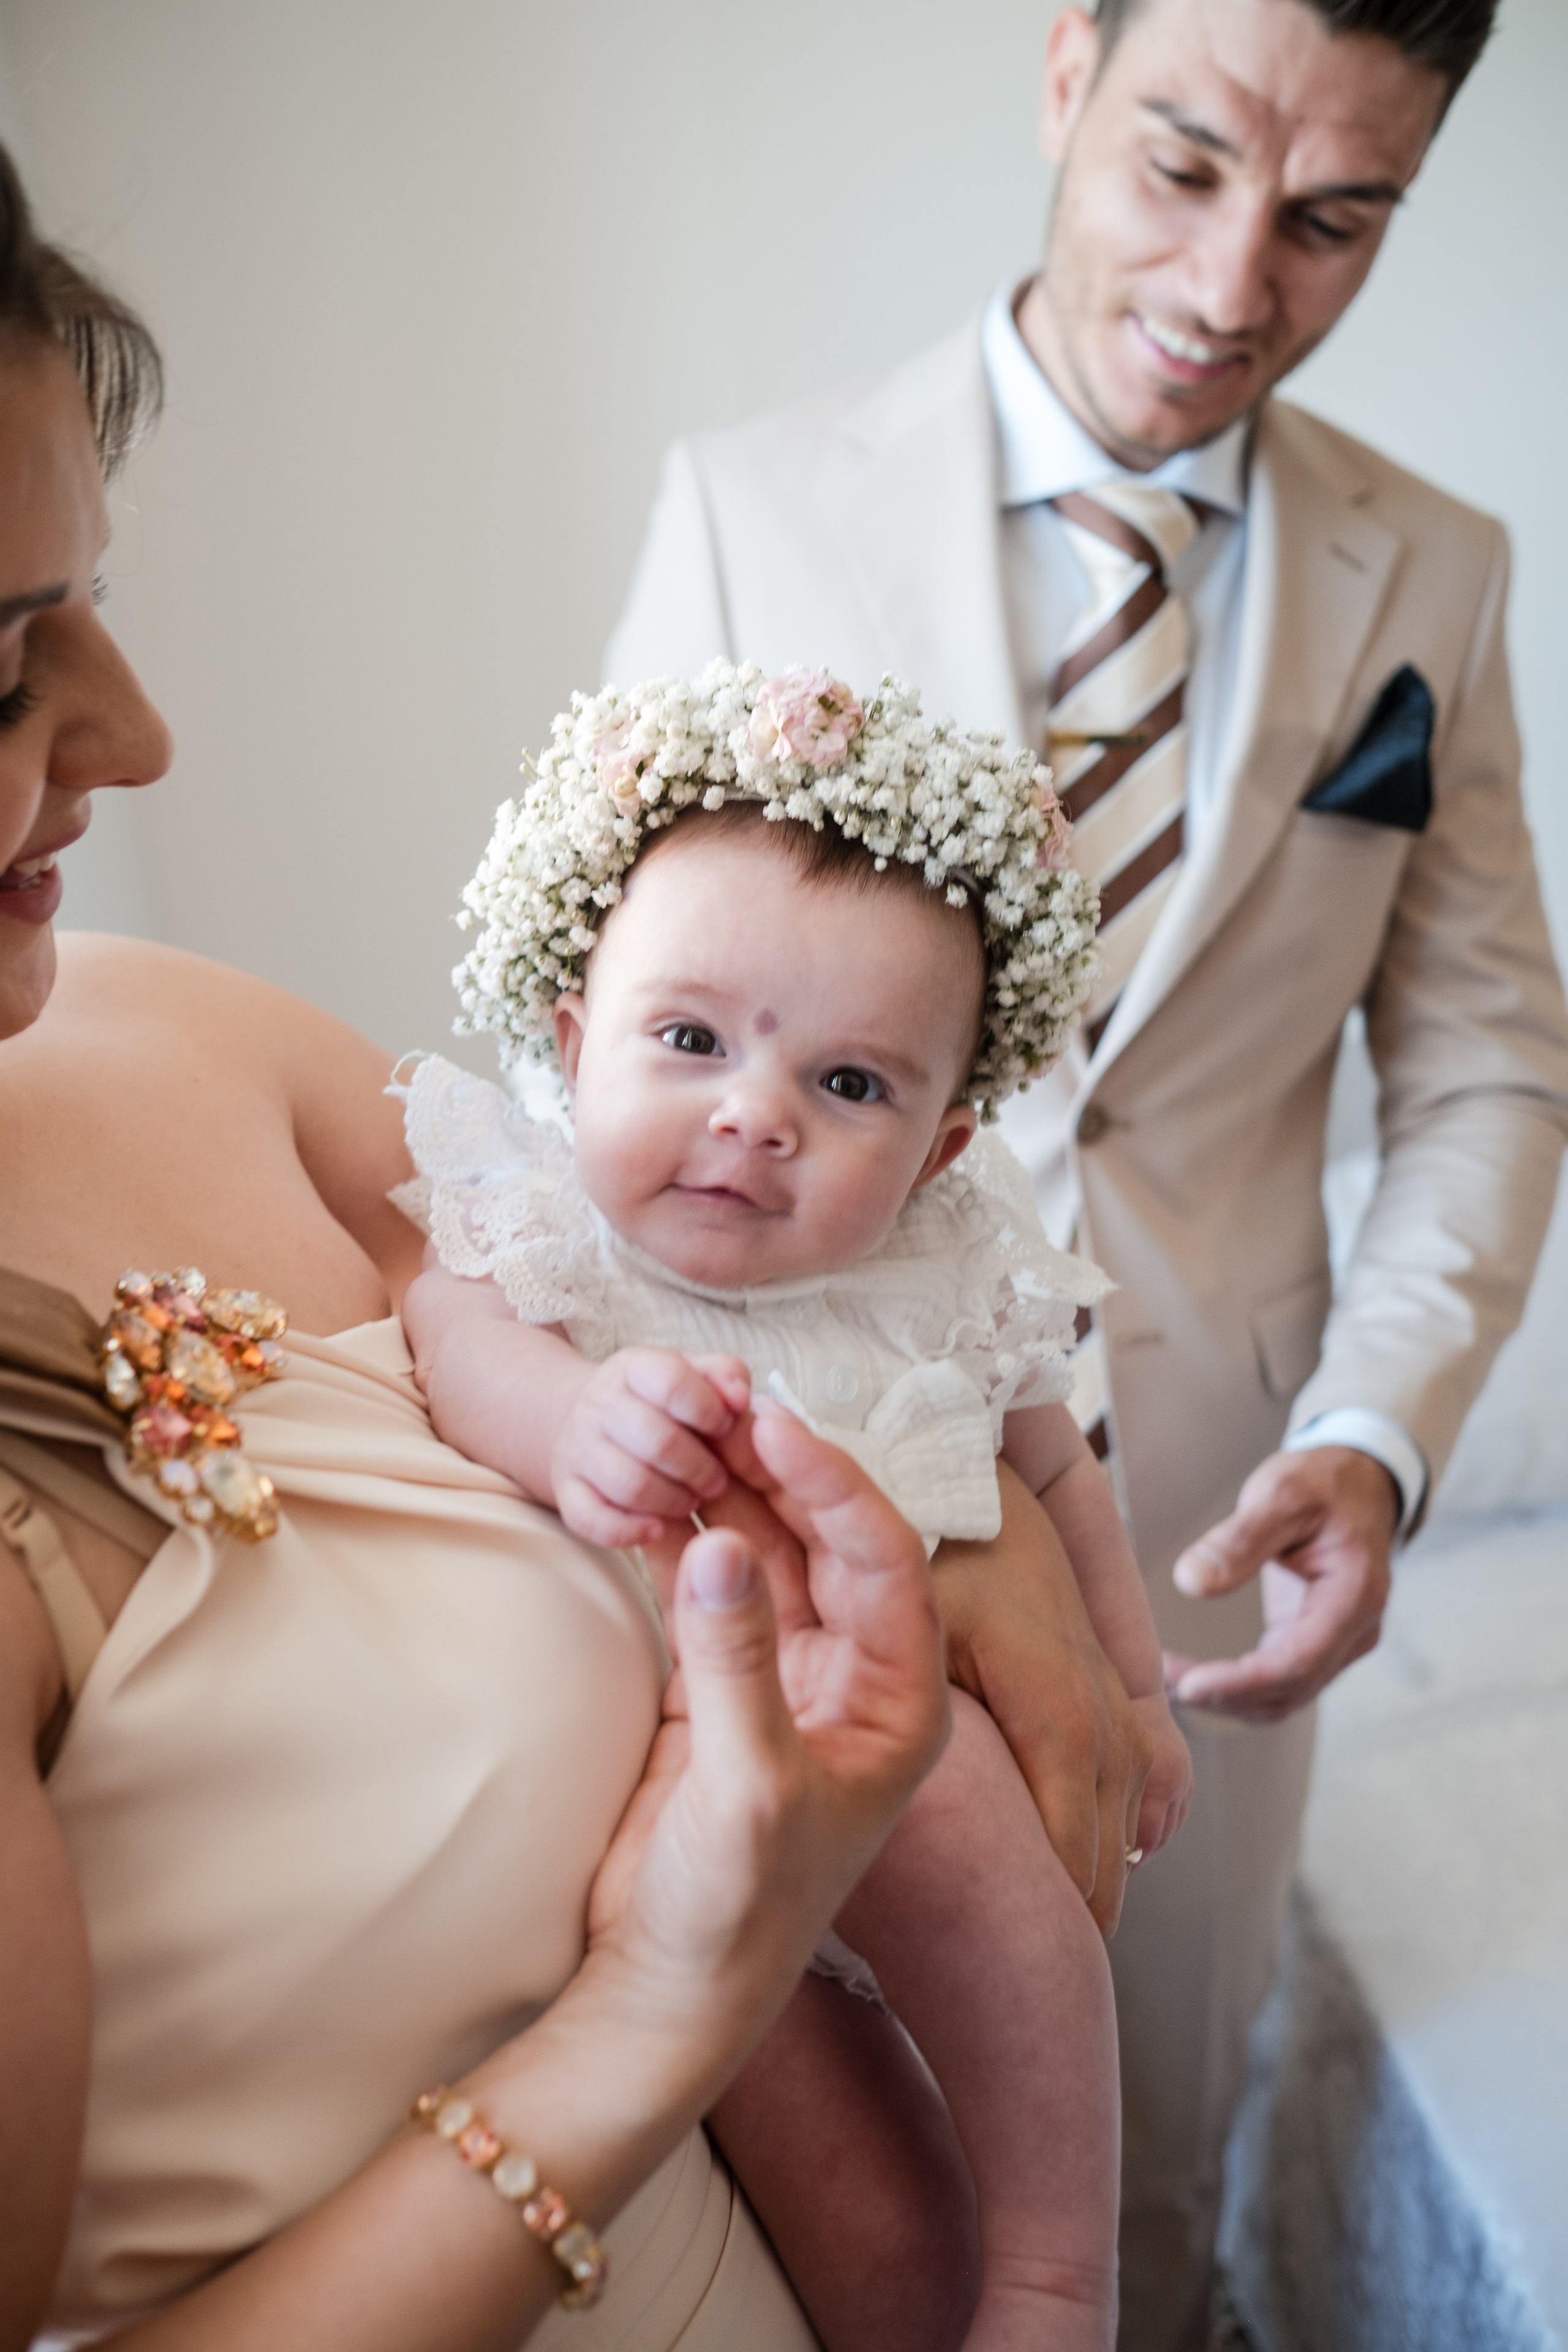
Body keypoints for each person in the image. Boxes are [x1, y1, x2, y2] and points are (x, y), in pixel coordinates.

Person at [600, 0, 1568, 2341]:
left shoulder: (1434, 572)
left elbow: (1486, 1068)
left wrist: (1377, 1431)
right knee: (776, 2169)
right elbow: (607, 1019)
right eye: (1185, 165)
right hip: (774, 1510)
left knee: (1145, 2164)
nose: (1236, 286)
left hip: (1208, 1517)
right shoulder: (751, 503)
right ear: (1067, 77)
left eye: (1336, 218)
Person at [0, 143, 960, 2352]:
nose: (140, 734)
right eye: (0, 659)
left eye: (91, 598)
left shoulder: (163, 1031)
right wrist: (661, 2005)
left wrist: (944, 1499)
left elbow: (661, 1268)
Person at [399, 664, 1195, 2351]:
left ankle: (1063, 2272)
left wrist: (1134, 1692)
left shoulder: (941, 1269)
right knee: (873, 2219)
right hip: (675, 1806)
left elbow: (1063, 1477)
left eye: (850, 1087)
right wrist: (574, 1420)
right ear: (573, 1043)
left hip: (913, 1758)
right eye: (690, 1042)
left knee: (1013, 1921)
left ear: (940, 1148)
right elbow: (452, 1341)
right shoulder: (540, 1226)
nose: (754, 1117)